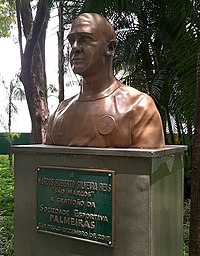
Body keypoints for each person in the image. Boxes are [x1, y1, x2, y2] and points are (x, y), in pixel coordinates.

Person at [45, 13, 165, 148]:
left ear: (110, 48)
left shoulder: (138, 107)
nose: (75, 47)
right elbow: (45, 165)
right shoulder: (60, 112)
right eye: (72, 40)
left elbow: (146, 167)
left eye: (85, 39)